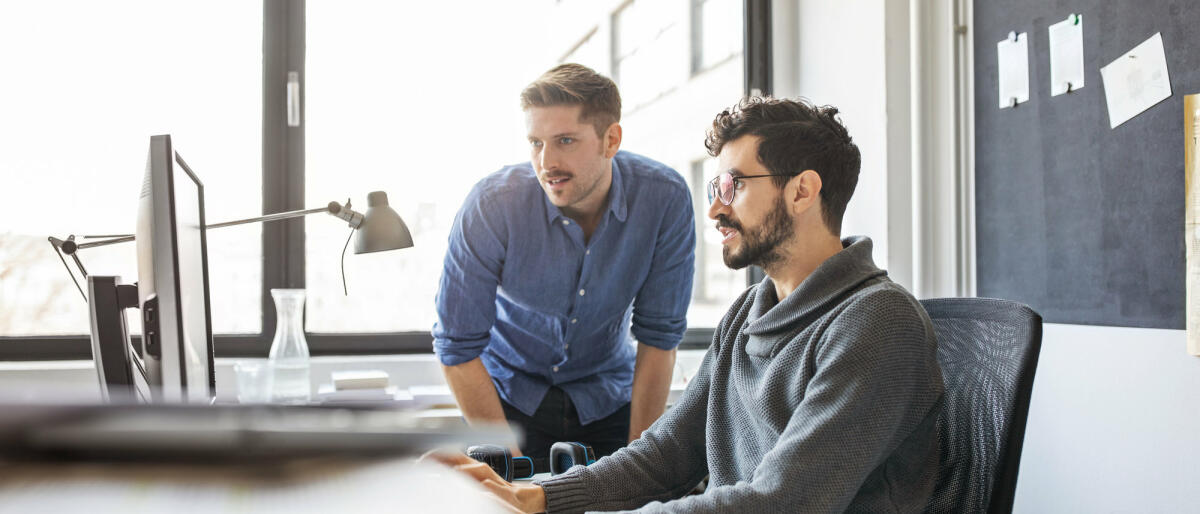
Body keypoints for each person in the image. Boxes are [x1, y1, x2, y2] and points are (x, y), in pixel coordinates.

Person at [425, 96, 946, 513]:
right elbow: (666, 454)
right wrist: (536, 496)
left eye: (733, 185)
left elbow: (780, 502)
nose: (715, 207)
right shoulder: (747, 316)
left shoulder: (876, 323)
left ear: (803, 191)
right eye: (714, 186)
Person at [432, 63, 696, 472]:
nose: (546, 162)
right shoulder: (492, 205)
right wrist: (513, 474)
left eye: (565, 141)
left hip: (609, 399)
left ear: (611, 140)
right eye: (535, 142)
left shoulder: (664, 198)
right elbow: (457, 346)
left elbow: (659, 338)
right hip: (509, 403)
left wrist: (640, 470)